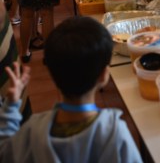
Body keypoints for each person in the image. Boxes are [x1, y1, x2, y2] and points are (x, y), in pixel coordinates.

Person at [0, 16, 143, 163]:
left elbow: (5, 153)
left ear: (52, 74)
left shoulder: (33, 131)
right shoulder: (114, 133)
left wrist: (10, 108)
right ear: (104, 75)